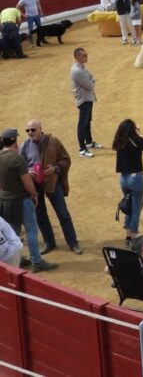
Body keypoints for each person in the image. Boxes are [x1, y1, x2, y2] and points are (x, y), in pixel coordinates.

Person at [20, 120, 81, 255]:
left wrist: (56, 168)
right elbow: (21, 165)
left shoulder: (53, 142)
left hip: (52, 183)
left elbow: (66, 159)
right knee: (40, 215)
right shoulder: (24, 145)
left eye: (33, 130)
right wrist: (29, 171)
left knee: (63, 214)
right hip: (34, 185)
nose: (30, 132)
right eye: (27, 130)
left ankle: (73, 243)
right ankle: (49, 242)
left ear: (40, 129)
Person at [0, 128, 57, 272]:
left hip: (6, 201)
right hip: (21, 200)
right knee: (31, 230)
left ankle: (17, 259)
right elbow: (27, 182)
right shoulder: (17, 158)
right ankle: (36, 261)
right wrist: (34, 194)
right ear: (14, 141)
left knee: (13, 231)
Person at [112, 120, 143, 245]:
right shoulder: (136, 140)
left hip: (123, 179)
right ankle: (133, 237)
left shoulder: (119, 141)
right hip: (135, 179)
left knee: (129, 206)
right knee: (136, 208)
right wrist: (141, 135)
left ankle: (128, 237)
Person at [70, 48, 99, 158]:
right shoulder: (77, 71)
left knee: (87, 121)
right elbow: (90, 84)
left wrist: (91, 80)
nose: (86, 57)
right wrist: (92, 81)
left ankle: (89, 142)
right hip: (84, 99)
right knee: (82, 123)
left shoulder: (81, 67)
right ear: (77, 57)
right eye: (84, 56)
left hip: (87, 97)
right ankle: (82, 149)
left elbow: (91, 77)